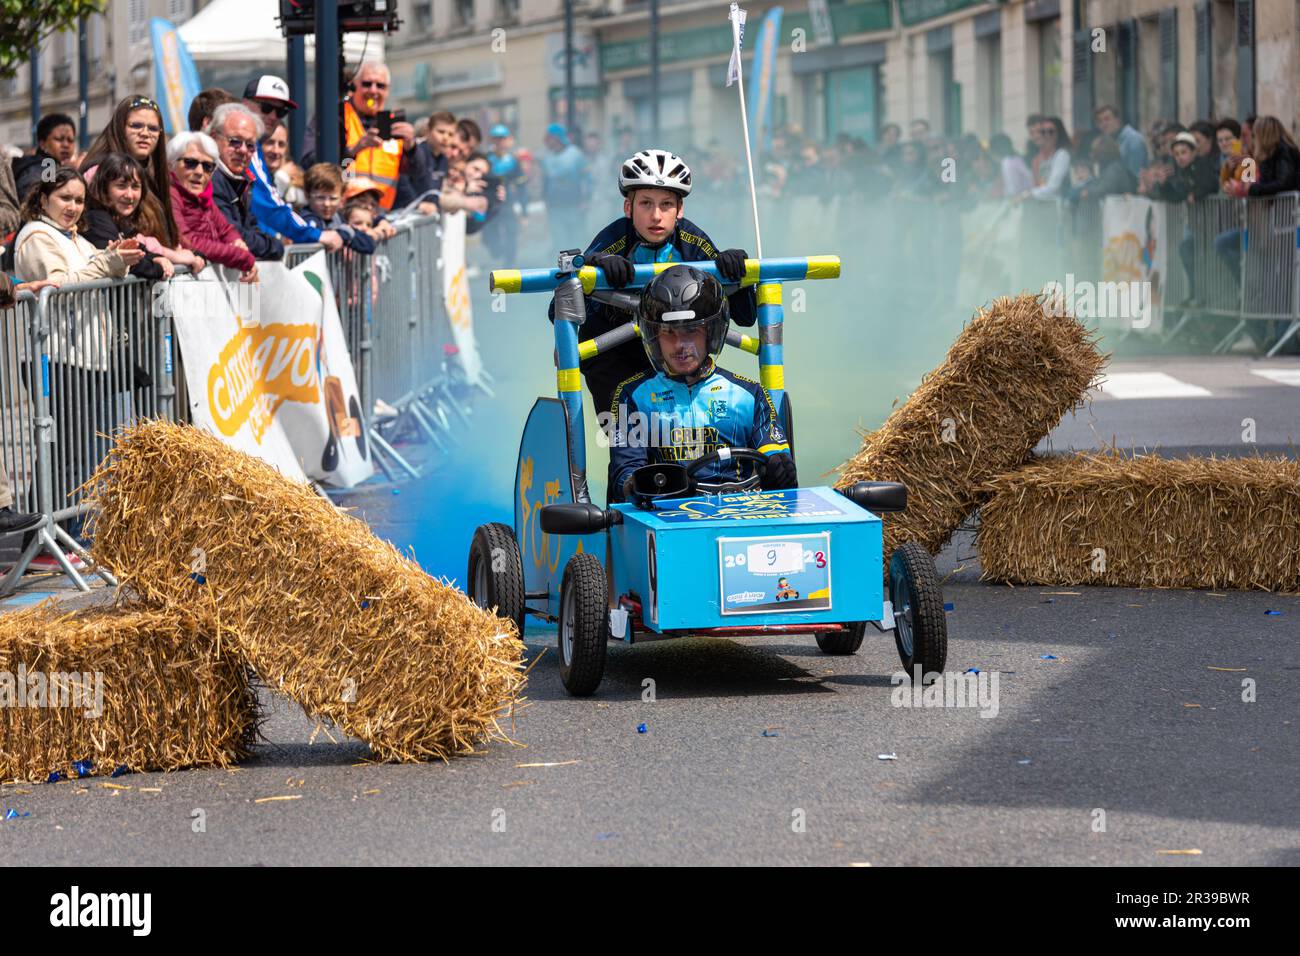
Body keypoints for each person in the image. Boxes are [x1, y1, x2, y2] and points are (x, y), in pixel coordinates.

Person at [549, 148, 756, 414]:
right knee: (627, 433)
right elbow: (557, 307)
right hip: (613, 356)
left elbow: (746, 317)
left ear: (680, 210)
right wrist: (594, 265)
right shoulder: (614, 239)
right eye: (646, 203)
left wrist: (736, 273)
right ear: (628, 207)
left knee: (675, 432)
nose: (656, 215)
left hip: (673, 351)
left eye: (666, 204)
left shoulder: (693, 241)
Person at [606, 264, 796, 502]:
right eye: (668, 332)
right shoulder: (632, 396)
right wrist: (642, 486)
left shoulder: (750, 394)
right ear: (654, 337)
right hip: (668, 520)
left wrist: (780, 469)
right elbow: (625, 475)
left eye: (691, 331)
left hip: (742, 518)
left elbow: (776, 456)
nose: (680, 345)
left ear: (712, 333)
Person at [241, 75, 341, 250]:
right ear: (245, 104)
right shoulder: (246, 145)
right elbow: (266, 203)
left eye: (281, 112)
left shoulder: (254, 146)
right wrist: (315, 234)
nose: (273, 116)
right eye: (266, 107)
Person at [83, 152, 205, 280]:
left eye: (135, 187)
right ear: (104, 189)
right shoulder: (96, 219)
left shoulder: (121, 220)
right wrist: (159, 268)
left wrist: (157, 258)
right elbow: (125, 259)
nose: (130, 195)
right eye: (121, 186)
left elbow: (140, 250)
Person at [80, 96, 178, 249]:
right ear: (120, 128)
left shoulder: (150, 173)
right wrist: (167, 255)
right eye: (136, 125)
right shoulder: (98, 171)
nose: (145, 133)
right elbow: (112, 240)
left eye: (153, 128)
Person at [167, 131, 257, 279]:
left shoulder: (205, 196)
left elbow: (225, 229)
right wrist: (241, 257)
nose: (199, 172)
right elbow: (189, 240)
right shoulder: (170, 195)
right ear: (171, 164)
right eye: (190, 163)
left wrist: (236, 241)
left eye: (208, 166)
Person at [339, 61, 425, 212]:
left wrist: (411, 147)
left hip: (381, 217)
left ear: (388, 91)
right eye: (367, 84)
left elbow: (417, 172)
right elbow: (323, 163)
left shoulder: (394, 124)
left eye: (380, 86)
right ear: (354, 86)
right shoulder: (340, 116)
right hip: (347, 214)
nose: (373, 91)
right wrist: (354, 150)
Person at [208, 103, 284, 261]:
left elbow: (251, 229)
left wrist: (272, 245)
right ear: (214, 138)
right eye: (235, 141)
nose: (243, 150)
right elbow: (234, 235)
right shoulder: (209, 178)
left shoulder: (242, 180)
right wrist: (274, 246)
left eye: (250, 145)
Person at [539, 123, 590, 252]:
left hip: (574, 204)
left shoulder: (575, 154)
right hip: (555, 205)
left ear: (557, 138)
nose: (546, 140)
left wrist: (586, 200)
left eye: (549, 137)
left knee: (576, 238)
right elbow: (546, 181)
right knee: (559, 240)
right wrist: (545, 200)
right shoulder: (547, 157)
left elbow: (587, 178)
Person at [303, 163, 375, 253]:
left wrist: (344, 234)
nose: (327, 204)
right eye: (320, 198)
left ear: (342, 198)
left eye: (333, 198)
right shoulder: (305, 219)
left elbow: (369, 245)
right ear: (307, 196)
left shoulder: (338, 218)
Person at [13, 113, 77, 201]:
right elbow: (29, 206)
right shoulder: (39, 170)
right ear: (42, 144)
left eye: (70, 140)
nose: (66, 145)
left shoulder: (60, 168)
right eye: (59, 139)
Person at [1094, 105, 1148, 180]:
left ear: (1117, 120)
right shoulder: (1108, 141)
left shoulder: (1133, 139)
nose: (1104, 124)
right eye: (1100, 121)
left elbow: (1135, 176)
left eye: (1107, 119)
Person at [262, 122, 306, 209]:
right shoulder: (252, 175)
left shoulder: (297, 176)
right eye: (270, 143)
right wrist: (281, 178)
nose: (276, 150)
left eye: (281, 144)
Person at [1027, 117, 1071, 200]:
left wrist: (1028, 194)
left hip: (1060, 207)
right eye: (1043, 132)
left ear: (1058, 134)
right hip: (1041, 206)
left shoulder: (1062, 155)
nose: (1047, 135)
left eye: (1051, 132)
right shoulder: (1036, 159)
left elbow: (1053, 187)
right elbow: (1035, 185)